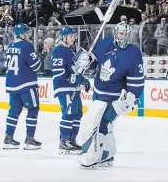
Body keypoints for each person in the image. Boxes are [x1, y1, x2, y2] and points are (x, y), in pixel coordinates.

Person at [74, 21, 144, 167]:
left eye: (126, 34)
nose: (124, 37)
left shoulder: (134, 52)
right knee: (100, 123)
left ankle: (91, 155)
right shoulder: (104, 43)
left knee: (100, 124)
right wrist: (87, 61)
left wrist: (130, 99)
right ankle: (108, 153)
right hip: (99, 92)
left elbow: (137, 80)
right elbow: (94, 64)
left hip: (115, 97)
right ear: (115, 33)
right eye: (121, 33)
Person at [52, 26, 91, 154]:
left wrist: (83, 79)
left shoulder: (73, 50)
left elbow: (76, 69)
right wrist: (74, 78)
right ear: (63, 37)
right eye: (70, 36)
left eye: (74, 36)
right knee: (69, 112)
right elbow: (58, 73)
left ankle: (71, 140)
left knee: (77, 113)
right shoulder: (58, 50)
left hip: (73, 88)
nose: (73, 38)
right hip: (63, 87)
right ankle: (63, 141)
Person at [4, 23, 42, 150]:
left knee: (14, 111)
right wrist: (37, 55)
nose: (29, 34)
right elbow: (36, 66)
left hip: (12, 83)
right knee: (33, 108)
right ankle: (29, 139)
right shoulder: (27, 46)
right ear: (21, 34)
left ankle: (8, 138)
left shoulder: (10, 47)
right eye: (26, 32)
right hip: (26, 84)